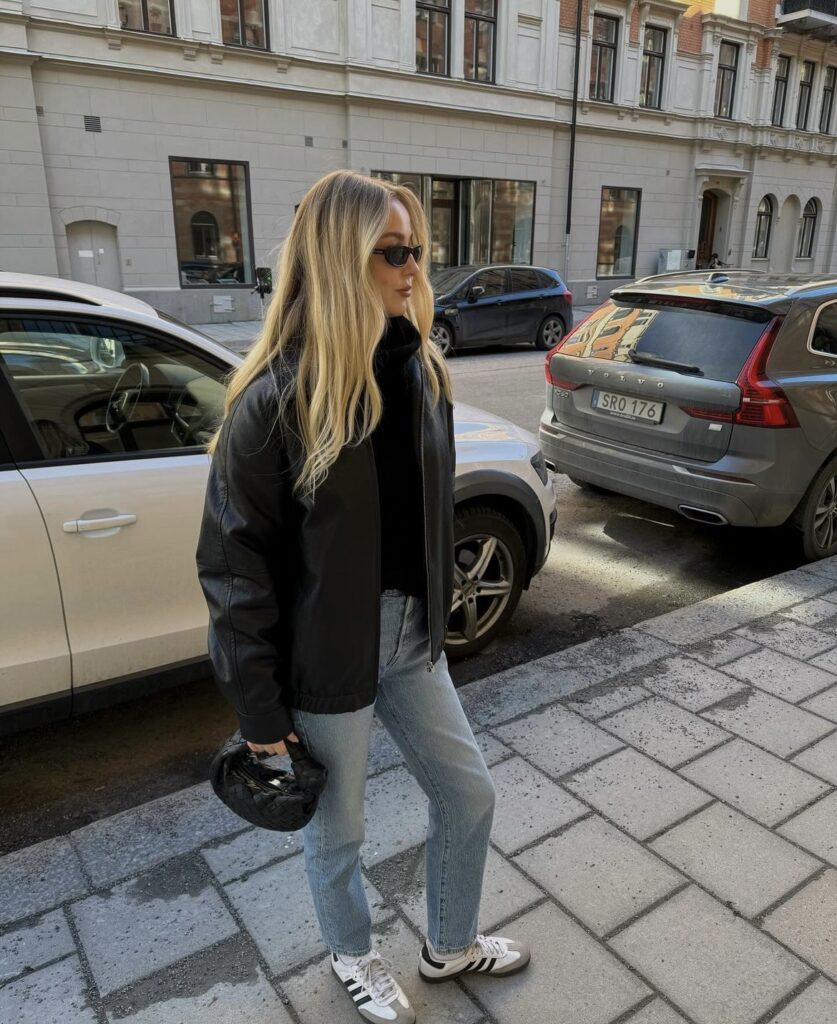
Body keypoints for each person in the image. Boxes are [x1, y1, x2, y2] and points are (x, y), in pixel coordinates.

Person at [196, 170, 530, 1024]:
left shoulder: (418, 370)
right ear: (341, 259)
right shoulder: (274, 401)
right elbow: (235, 575)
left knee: (468, 793)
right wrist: (261, 716)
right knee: (337, 831)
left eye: (416, 248)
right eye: (393, 251)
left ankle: (448, 944)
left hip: (412, 637)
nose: (413, 266)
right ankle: (353, 954)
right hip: (324, 655)